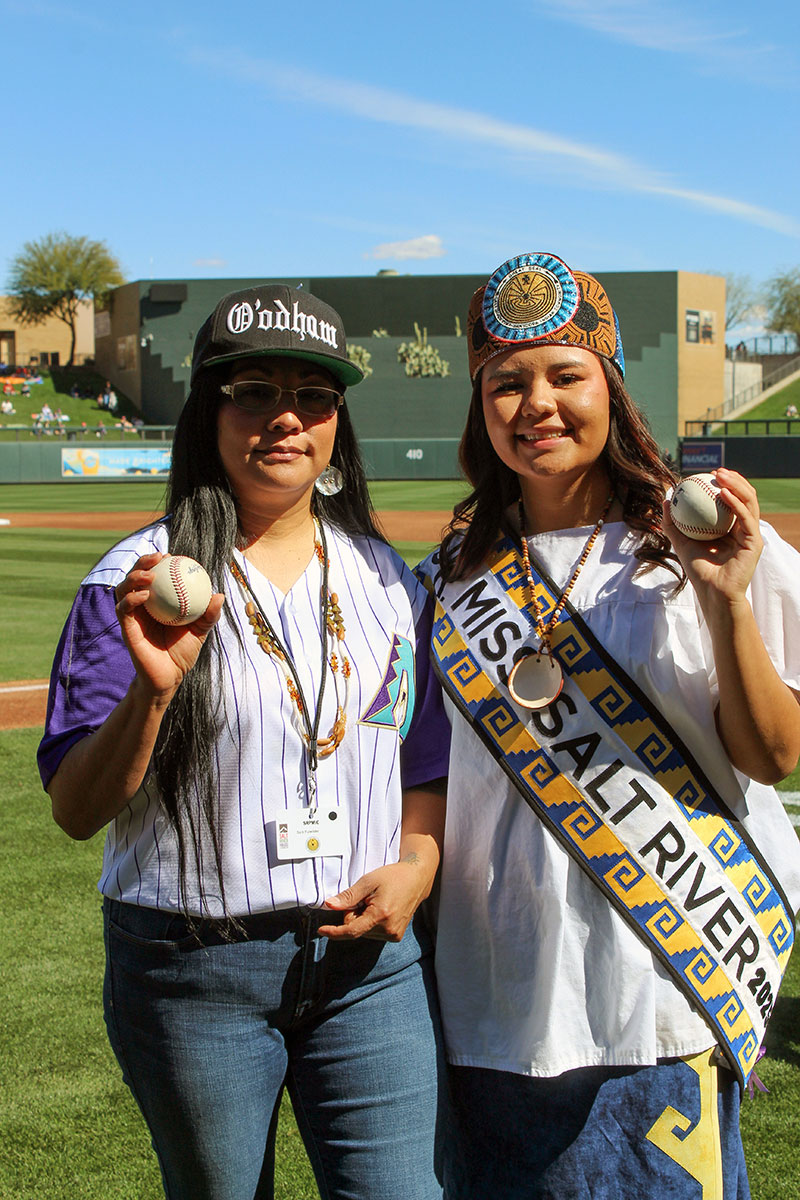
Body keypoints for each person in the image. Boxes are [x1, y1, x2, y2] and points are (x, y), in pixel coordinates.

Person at [38, 284, 449, 1200]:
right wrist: (153, 693)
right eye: (253, 391)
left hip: (367, 964)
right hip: (193, 966)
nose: (286, 417)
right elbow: (76, 808)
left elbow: (422, 761)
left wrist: (417, 863)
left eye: (314, 395)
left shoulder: (390, 581)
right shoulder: (135, 579)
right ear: (208, 411)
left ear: (339, 420)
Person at [419, 251, 800, 1198]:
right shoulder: (448, 582)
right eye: (505, 383)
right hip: (490, 1001)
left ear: (612, 387)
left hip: (657, 999)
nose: (533, 403)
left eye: (564, 374)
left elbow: (778, 757)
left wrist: (724, 600)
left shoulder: (707, 550)